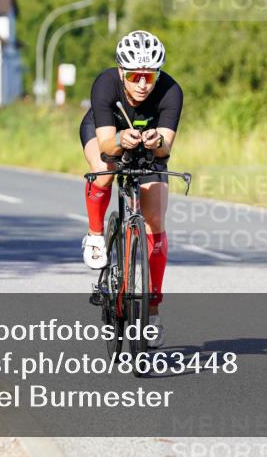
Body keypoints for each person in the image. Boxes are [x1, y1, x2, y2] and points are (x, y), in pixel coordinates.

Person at [80, 30, 183, 348]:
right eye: (135, 75)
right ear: (122, 72)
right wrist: (121, 140)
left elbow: (165, 148)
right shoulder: (106, 84)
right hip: (106, 131)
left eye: (149, 76)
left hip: (147, 147)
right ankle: (97, 234)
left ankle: (151, 310)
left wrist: (157, 141)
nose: (142, 84)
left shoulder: (171, 91)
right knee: (105, 171)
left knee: (155, 221)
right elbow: (108, 143)